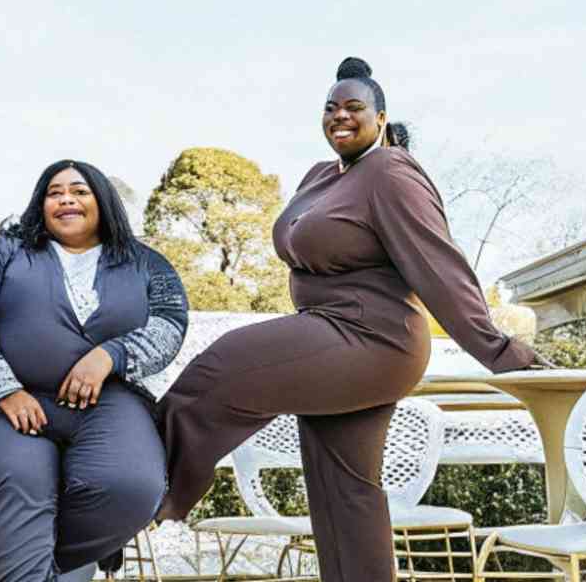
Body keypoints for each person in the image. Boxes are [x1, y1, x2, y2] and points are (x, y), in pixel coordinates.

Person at [155, 57, 548, 582]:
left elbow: (438, 266)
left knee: (221, 367)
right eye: (330, 108)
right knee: (345, 491)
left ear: (381, 118)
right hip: (334, 336)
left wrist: (504, 354)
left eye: (354, 107)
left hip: (372, 338)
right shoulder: (321, 176)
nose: (340, 116)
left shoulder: (390, 171)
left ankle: (127, 492)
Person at [0, 159, 188, 582]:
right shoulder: (6, 252)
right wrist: (3, 389)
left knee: (129, 485)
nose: (66, 199)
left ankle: (34, 563)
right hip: (3, 409)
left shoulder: (146, 262)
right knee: (19, 480)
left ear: (102, 201)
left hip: (109, 404)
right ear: (41, 203)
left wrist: (111, 354)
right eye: (55, 192)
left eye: (79, 190)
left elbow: (170, 322)